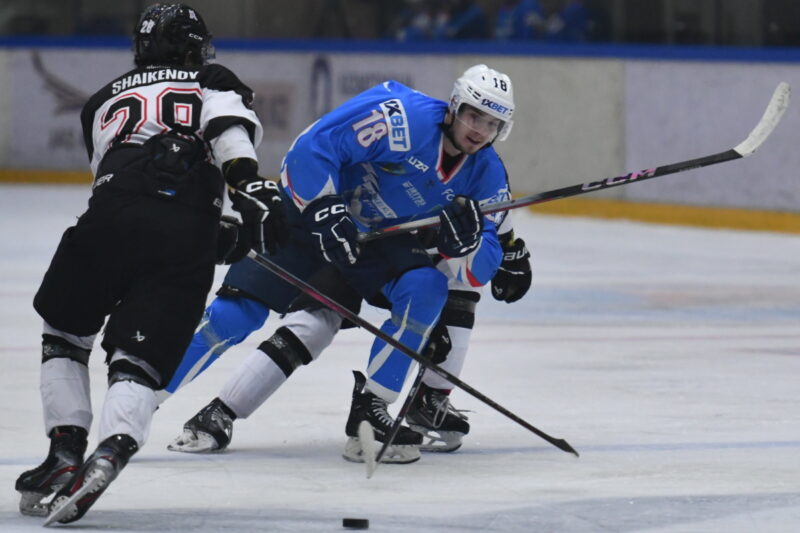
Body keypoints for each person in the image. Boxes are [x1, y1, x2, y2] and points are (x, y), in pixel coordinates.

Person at [163, 64, 527, 463]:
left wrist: (469, 247)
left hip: (378, 241)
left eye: (493, 124)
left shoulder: (486, 172)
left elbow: (482, 263)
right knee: (240, 315)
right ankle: (145, 392)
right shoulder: (401, 117)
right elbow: (313, 147)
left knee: (426, 288)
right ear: (455, 106)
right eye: (475, 116)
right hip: (316, 216)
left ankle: (378, 409)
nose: (480, 131)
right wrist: (322, 206)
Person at [15, 3, 286, 524]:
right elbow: (226, 129)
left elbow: (118, 175)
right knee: (138, 359)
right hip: (186, 232)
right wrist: (245, 187)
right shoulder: (212, 80)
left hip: (110, 216)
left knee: (65, 334)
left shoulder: (99, 101)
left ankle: (64, 450)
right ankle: (112, 448)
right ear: (192, 48)